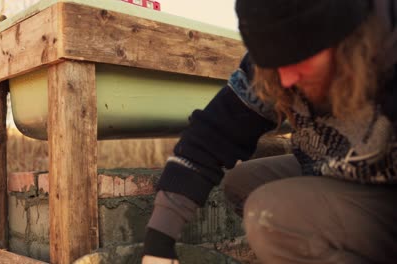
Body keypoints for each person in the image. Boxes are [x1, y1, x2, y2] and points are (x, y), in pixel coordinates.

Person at [141, 0, 397, 263]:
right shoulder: (275, 66)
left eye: (297, 59)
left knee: (271, 215)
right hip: (340, 170)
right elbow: (210, 138)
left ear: (345, 39)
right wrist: (158, 245)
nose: (285, 80)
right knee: (243, 183)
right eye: (275, 63)